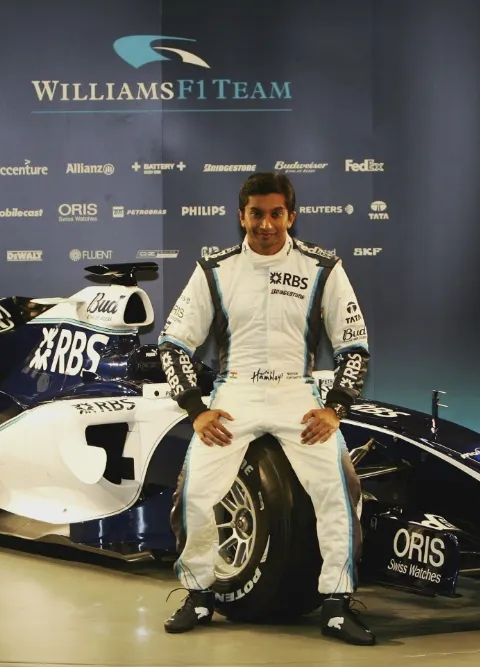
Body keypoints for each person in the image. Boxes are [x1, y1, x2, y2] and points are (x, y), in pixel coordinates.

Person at [156, 172, 374, 646]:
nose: (267, 224)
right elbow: (172, 344)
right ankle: (198, 594)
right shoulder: (215, 268)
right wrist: (196, 409)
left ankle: (337, 605)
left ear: (291, 216)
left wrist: (335, 407)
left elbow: (354, 348)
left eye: (277, 213)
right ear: (242, 216)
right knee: (193, 492)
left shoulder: (323, 267)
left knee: (341, 491)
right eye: (257, 213)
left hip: (298, 395)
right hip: (234, 394)